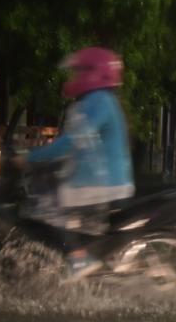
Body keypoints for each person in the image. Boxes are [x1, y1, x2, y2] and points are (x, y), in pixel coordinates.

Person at [21, 47, 135, 277]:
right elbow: (79, 145)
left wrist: (30, 157)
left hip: (100, 183)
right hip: (97, 178)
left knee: (45, 206)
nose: (74, 77)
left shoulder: (98, 100)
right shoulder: (98, 100)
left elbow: (73, 141)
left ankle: (78, 259)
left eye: (79, 72)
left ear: (93, 73)